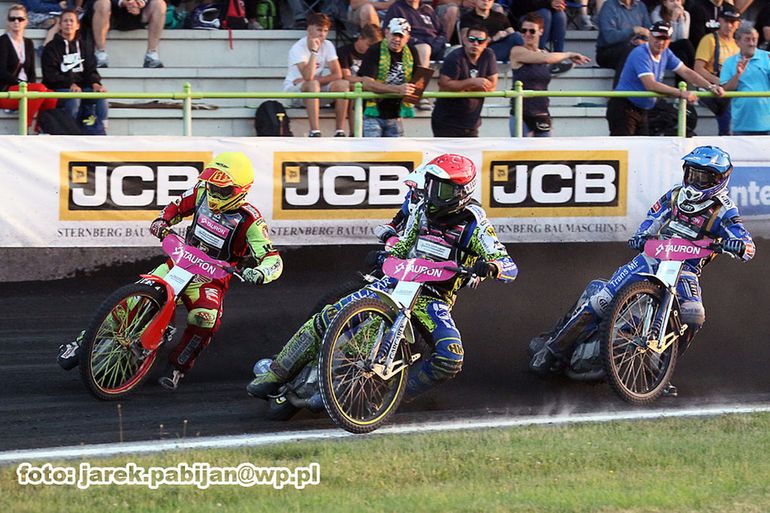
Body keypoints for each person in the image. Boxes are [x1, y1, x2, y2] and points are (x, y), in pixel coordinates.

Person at [247, 153, 518, 403]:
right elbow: (404, 244)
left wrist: (492, 267)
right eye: (431, 185)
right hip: (395, 282)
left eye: (442, 189)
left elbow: (508, 265)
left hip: (433, 298)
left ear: (462, 192)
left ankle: (390, 397)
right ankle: (275, 373)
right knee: (330, 315)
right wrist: (385, 255)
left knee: (450, 358)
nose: (432, 193)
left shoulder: (475, 225)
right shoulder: (421, 209)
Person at [529, 146, 755, 396]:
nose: (694, 181)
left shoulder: (725, 209)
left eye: (702, 177)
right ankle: (552, 350)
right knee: (602, 300)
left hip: (686, 269)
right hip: (651, 258)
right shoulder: (675, 195)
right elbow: (653, 216)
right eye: (692, 174)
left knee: (693, 315)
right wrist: (642, 235)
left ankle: (659, 372)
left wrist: (739, 246)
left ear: (719, 179)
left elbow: (746, 243)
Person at [57, 152, 284, 391]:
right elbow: (175, 207)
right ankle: (82, 342)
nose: (215, 193)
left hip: (210, 279)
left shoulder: (251, 221)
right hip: (179, 261)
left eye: (222, 189)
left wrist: (261, 272)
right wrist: (162, 221)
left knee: (205, 318)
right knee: (133, 298)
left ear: (240, 190)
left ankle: (178, 367)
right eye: (212, 186)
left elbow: (272, 258)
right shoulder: (201, 192)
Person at [606, 21, 724, 136]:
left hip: (641, 109)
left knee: (641, 147)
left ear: (669, 40)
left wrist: (710, 86)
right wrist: (680, 93)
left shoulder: (666, 53)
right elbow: (650, 85)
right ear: (650, 36)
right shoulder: (641, 53)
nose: (660, 42)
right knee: (625, 147)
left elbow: (686, 71)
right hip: (624, 107)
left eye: (665, 39)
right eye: (657, 38)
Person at [509, 12, 591, 136]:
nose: (527, 34)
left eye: (532, 31)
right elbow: (546, 59)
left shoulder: (544, 52)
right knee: (521, 149)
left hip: (542, 113)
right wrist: (568, 54)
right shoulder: (517, 51)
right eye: (523, 30)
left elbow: (548, 59)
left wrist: (569, 62)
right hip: (521, 114)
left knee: (547, 149)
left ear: (541, 31)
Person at [283, 12, 349, 137]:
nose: (322, 34)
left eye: (325, 31)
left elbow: (337, 74)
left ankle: (339, 131)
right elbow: (308, 77)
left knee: (343, 85)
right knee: (312, 85)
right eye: (319, 30)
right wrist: (314, 51)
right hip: (295, 92)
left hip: (314, 88)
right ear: (309, 29)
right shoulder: (298, 48)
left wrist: (316, 80)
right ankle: (315, 131)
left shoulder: (328, 45)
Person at [41, 8, 108, 131]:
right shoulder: (51, 48)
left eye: (71, 21)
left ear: (77, 26)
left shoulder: (85, 46)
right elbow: (50, 76)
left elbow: (91, 70)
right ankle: (70, 130)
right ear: (60, 25)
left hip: (82, 88)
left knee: (101, 96)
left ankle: (102, 128)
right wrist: (70, 83)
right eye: (65, 21)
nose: (68, 24)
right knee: (74, 97)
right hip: (59, 88)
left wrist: (95, 83)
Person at [358, 17, 423, 137]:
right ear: (386, 32)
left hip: (396, 114)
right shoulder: (374, 50)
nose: (396, 39)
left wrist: (412, 95)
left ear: (407, 38)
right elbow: (367, 84)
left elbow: (419, 81)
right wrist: (397, 89)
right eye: (394, 34)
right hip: (372, 114)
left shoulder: (412, 51)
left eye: (401, 36)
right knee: (372, 148)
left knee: (396, 149)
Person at [431, 25, 498, 137]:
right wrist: (472, 82)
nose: (475, 43)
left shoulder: (488, 55)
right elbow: (444, 84)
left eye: (480, 41)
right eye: (472, 39)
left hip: (472, 122)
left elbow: (492, 86)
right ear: (465, 40)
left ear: (486, 43)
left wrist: (463, 87)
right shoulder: (454, 57)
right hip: (446, 121)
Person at [0, 4, 58, 129]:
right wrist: (21, 83)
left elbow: (31, 72)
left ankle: (40, 129)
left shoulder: (28, 43)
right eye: (12, 19)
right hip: (6, 90)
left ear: (26, 21)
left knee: (51, 96)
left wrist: (29, 85)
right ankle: (25, 127)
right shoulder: (2, 41)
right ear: (8, 22)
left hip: (25, 88)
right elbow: (1, 72)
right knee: (39, 89)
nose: (16, 22)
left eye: (20, 19)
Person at [382, 0, 448, 110]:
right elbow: (390, 32)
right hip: (412, 45)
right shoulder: (397, 8)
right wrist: (419, 42)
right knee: (424, 49)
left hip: (435, 45)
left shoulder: (427, 9)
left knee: (455, 51)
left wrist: (436, 44)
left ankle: (446, 99)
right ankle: (417, 94)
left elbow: (442, 32)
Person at [694, 6, 740, 135]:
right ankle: (725, 136)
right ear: (719, 21)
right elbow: (698, 69)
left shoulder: (738, 44)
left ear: (738, 24)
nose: (729, 25)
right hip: (710, 88)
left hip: (731, 89)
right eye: (726, 21)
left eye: (732, 22)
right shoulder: (709, 40)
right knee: (728, 105)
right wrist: (720, 82)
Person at [720, 25, 770, 135]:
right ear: (737, 42)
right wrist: (738, 74)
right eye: (747, 39)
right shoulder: (729, 62)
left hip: (767, 124)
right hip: (741, 124)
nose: (751, 43)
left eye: (754, 39)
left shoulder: (768, 57)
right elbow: (726, 90)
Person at [87, 0, 167, 68]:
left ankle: (151, 54)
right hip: (109, 12)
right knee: (102, 3)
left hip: (137, 13)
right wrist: (122, 2)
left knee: (159, 4)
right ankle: (100, 53)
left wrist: (140, 2)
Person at [338, 23, 383, 135]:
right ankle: (354, 133)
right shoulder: (344, 51)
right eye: (368, 45)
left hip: (369, 88)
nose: (371, 49)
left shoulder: (375, 54)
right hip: (350, 89)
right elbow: (346, 77)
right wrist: (365, 80)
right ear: (360, 38)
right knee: (355, 90)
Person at [595, 0, 651, 72]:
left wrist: (644, 42)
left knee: (654, 48)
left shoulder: (640, 6)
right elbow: (609, 37)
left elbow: (649, 32)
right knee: (629, 51)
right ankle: (623, 80)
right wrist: (633, 30)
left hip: (636, 48)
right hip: (608, 51)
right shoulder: (609, 6)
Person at [651, 0, 694, 66]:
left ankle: (691, 71)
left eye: (678, 0)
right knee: (686, 43)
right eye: (671, 1)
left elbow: (683, 37)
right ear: (665, 3)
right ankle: (696, 68)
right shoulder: (656, 14)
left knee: (682, 55)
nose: (676, 3)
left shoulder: (686, 14)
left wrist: (681, 18)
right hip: (663, 46)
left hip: (679, 46)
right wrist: (673, 20)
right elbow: (669, 39)